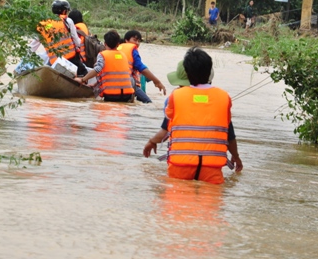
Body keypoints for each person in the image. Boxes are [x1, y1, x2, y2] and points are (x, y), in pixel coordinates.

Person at [143, 47, 243, 184]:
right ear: (209, 73)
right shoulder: (224, 98)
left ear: (187, 74)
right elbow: (230, 135)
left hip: (181, 165)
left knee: (176, 201)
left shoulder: (176, 97)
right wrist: (236, 156)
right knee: (210, 204)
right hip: (211, 167)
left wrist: (151, 142)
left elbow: (166, 130)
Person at [74, 30, 135, 102]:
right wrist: (95, 85)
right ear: (118, 44)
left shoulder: (103, 55)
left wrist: (82, 80)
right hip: (127, 95)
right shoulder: (123, 56)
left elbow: (97, 70)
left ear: (105, 44)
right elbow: (115, 76)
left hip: (111, 95)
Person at [37, 0, 87, 76]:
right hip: (71, 59)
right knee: (84, 74)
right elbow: (77, 41)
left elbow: (33, 46)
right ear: (64, 11)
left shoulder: (42, 25)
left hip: (54, 62)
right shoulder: (68, 21)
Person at [117, 30, 167, 103]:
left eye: (139, 41)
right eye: (134, 40)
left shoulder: (117, 49)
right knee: (149, 103)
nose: (137, 43)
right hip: (129, 84)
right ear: (126, 40)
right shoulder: (133, 50)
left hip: (115, 85)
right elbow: (141, 68)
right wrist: (157, 81)